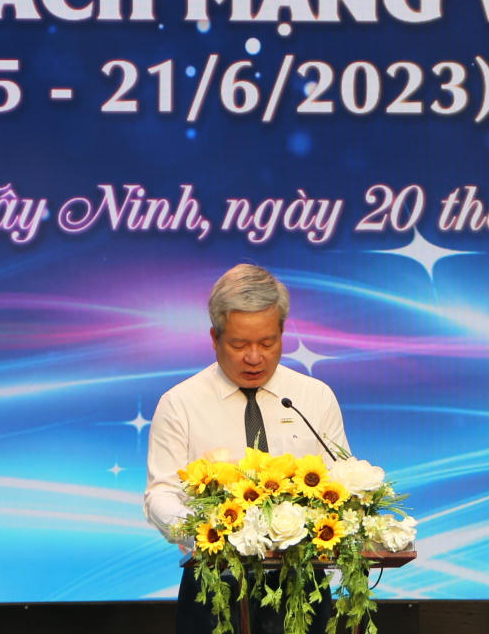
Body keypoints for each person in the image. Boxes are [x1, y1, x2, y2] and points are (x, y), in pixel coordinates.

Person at [144, 263, 349, 634]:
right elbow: (160, 494)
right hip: (214, 586)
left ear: (282, 333)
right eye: (239, 345)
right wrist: (207, 534)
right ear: (214, 337)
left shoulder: (313, 398)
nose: (254, 357)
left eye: (267, 343)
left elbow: (341, 482)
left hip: (302, 587)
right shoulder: (180, 404)